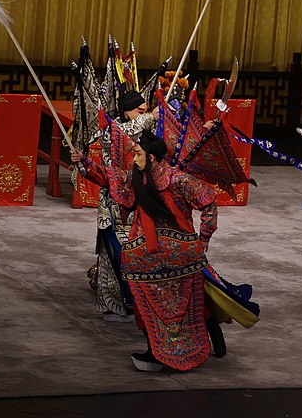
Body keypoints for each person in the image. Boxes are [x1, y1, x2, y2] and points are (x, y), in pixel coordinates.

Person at [72, 127, 217, 371]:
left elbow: (109, 178)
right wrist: (84, 162)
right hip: (180, 253)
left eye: (137, 153)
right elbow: (209, 203)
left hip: (149, 256)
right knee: (166, 303)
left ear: (151, 157)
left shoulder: (175, 179)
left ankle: (159, 349)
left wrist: (204, 239)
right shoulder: (145, 178)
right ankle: (161, 349)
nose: (133, 157)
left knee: (148, 300)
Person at [88, 90, 159, 322]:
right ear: (126, 112)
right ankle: (116, 304)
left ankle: (137, 303)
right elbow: (122, 133)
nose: (144, 112)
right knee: (114, 254)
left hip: (138, 202)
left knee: (137, 252)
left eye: (146, 110)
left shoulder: (144, 133)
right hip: (113, 203)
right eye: (140, 109)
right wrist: (151, 116)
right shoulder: (114, 130)